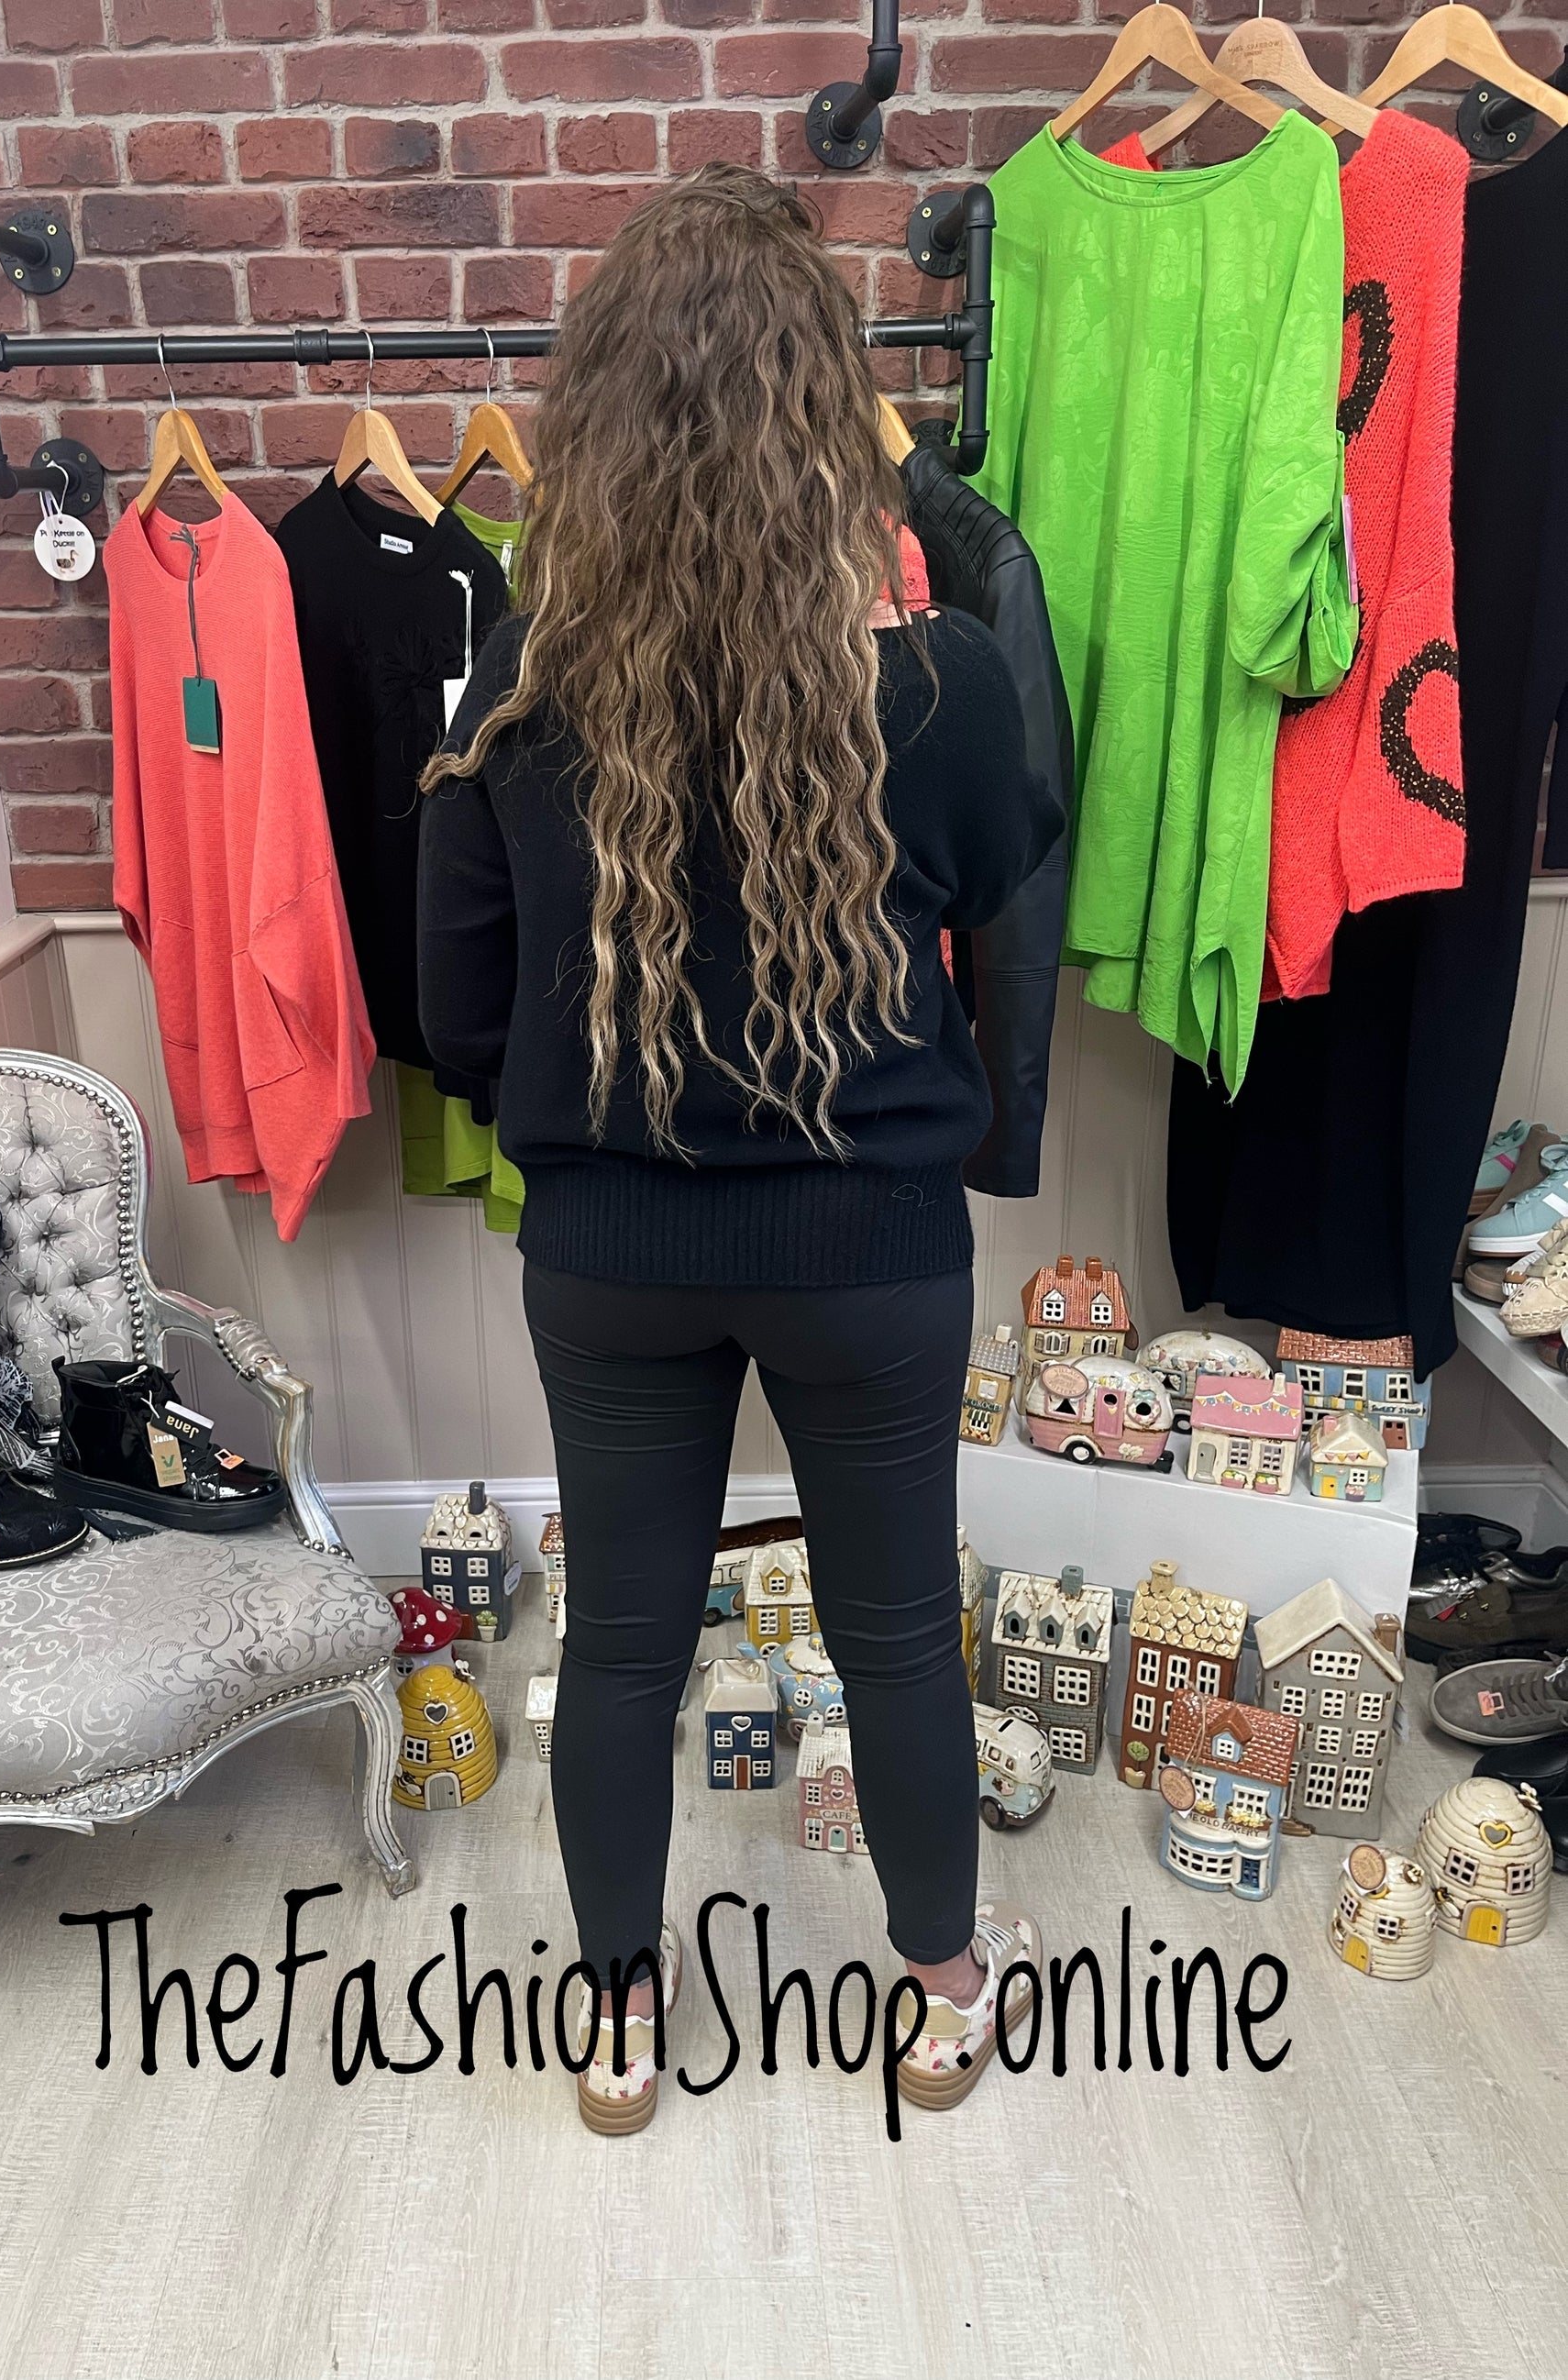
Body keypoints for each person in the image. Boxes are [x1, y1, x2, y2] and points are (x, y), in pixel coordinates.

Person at [419, 164, 1061, 2134]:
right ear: (823, 416)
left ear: (599, 423)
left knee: (619, 1647)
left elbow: (456, 1011)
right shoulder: (938, 687)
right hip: (870, 1248)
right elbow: (1004, 870)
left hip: (610, 1251)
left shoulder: (516, 692)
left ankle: (619, 2024)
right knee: (899, 1639)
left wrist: (602, 1115)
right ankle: (938, 1995)